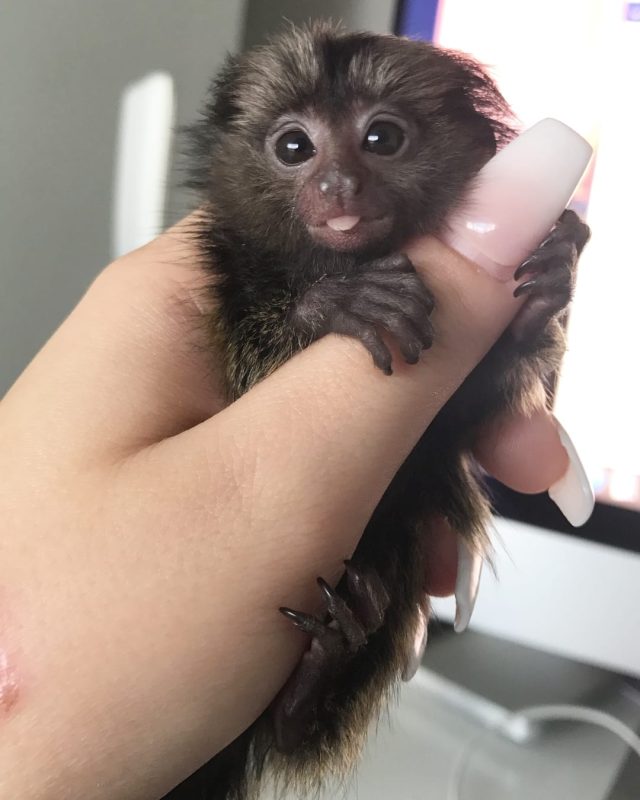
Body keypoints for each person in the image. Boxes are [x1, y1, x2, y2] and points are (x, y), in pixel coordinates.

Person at [0, 215, 574, 799]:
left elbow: (474, 397)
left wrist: (530, 307)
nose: (339, 189)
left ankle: (310, 696)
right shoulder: (236, 267)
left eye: (383, 139)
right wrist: (310, 310)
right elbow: (249, 368)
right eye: (295, 146)